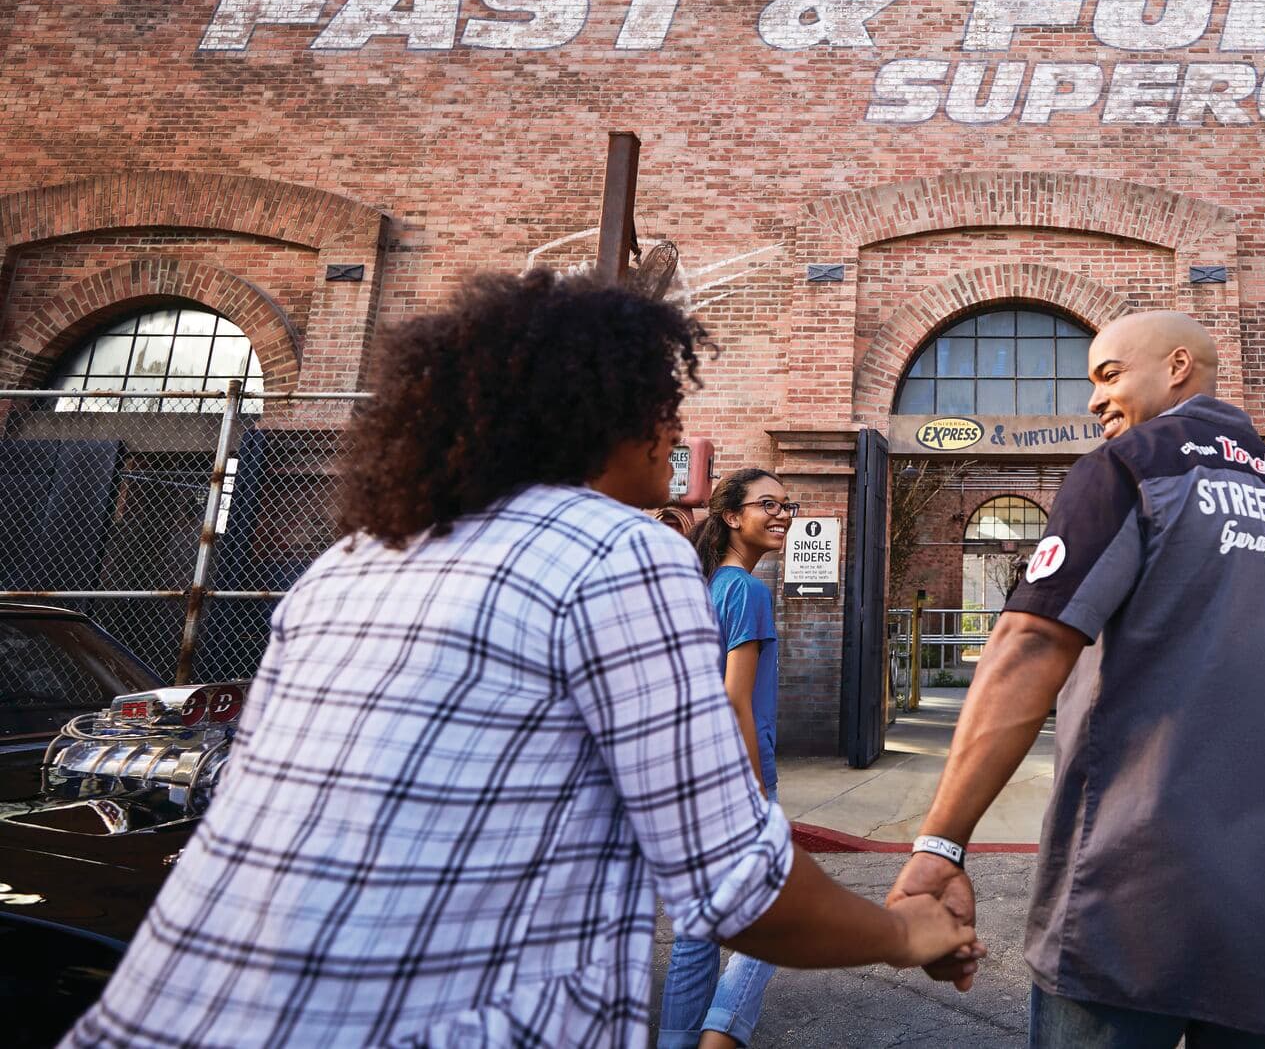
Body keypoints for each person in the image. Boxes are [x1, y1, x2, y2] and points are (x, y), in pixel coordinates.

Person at [60, 270, 976, 1049]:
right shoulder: (623, 550)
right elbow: (735, 883)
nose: (675, 425)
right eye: (660, 399)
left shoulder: (354, 558)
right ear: (602, 409)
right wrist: (907, 931)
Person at [890, 310, 1265, 1047]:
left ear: (1178, 366)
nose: (1094, 399)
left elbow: (1028, 646)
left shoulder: (1128, 467)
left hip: (1133, 899)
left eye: (1109, 374)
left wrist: (941, 846)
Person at [659, 468, 795, 1049]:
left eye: (787, 505)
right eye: (768, 504)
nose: (782, 514)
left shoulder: (705, 584)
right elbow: (734, 700)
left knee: (698, 931)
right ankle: (720, 1037)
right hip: (737, 776)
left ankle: (677, 1041)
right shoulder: (745, 591)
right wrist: (755, 793)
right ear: (733, 516)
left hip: (694, 776)